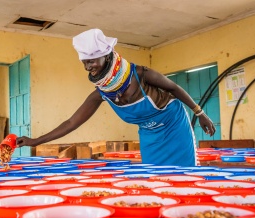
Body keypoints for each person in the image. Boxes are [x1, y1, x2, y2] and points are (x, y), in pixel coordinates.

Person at [17, 29, 216, 166]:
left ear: (106, 54)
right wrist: (36, 141)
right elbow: (71, 123)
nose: (88, 67)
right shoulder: (102, 93)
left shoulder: (140, 74)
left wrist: (199, 112)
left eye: (92, 61)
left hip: (174, 127)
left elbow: (174, 88)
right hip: (150, 136)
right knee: (155, 180)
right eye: (84, 63)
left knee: (184, 177)